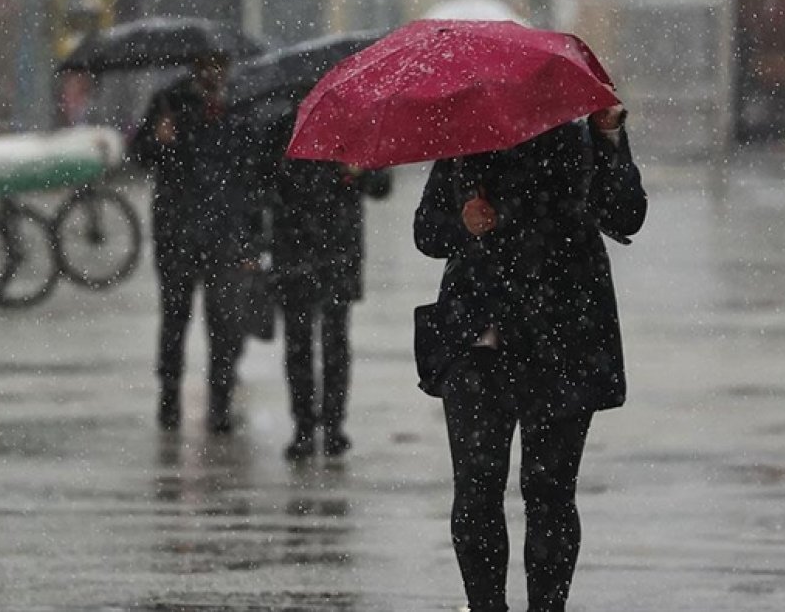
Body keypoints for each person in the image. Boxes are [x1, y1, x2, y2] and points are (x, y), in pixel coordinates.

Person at [413, 105, 646, 612]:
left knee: (550, 493)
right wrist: (463, 221)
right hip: (480, 341)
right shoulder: (465, 141)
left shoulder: (582, 142)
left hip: (563, 339)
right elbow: (427, 233)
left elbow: (626, 215)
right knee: (477, 489)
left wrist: (608, 136)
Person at [129, 52, 261, 434]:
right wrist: (159, 140)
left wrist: (251, 239)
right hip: (177, 231)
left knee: (225, 323)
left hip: (225, 233)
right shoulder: (169, 102)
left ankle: (219, 404)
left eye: (220, 66)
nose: (213, 73)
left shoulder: (241, 106)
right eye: (207, 66)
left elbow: (252, 177)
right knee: (175, 319)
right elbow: (137, 156)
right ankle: (169, 398)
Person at [262, 112, 393, 460]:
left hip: (339, 250)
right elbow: (260, 181)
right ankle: (304, 426)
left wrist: (359, 172)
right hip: (294, 250)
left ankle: (334, 425)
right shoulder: (283, 129)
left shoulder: (356, 128)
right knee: (299, 343)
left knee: (335, 341)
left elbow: (382, 186)